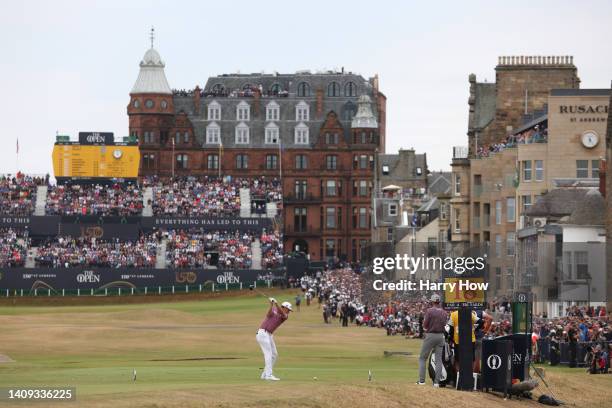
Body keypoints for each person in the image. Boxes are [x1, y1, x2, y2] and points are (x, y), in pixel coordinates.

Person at [256, 297, 292, 380]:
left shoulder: (285, 316)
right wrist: (271, 304)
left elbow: (282, 313)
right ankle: (269, 375)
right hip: (263, 333)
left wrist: (276, 303)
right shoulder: (275, 310)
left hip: (269, 335)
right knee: (268, 354)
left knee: (275, 355)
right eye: (288, 309)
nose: (289, 312)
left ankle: (265, 374)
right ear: (284, 307)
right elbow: (268, 314)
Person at [417, 294, 448, 387]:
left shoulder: (429, 311)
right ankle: (436, 383)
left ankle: (422, 381)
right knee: (439, 360)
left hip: (431, 335)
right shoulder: (444, 312)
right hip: (441, 336)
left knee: (422, 358)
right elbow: (445, 324)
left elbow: (425, 325)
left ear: (432, 301)